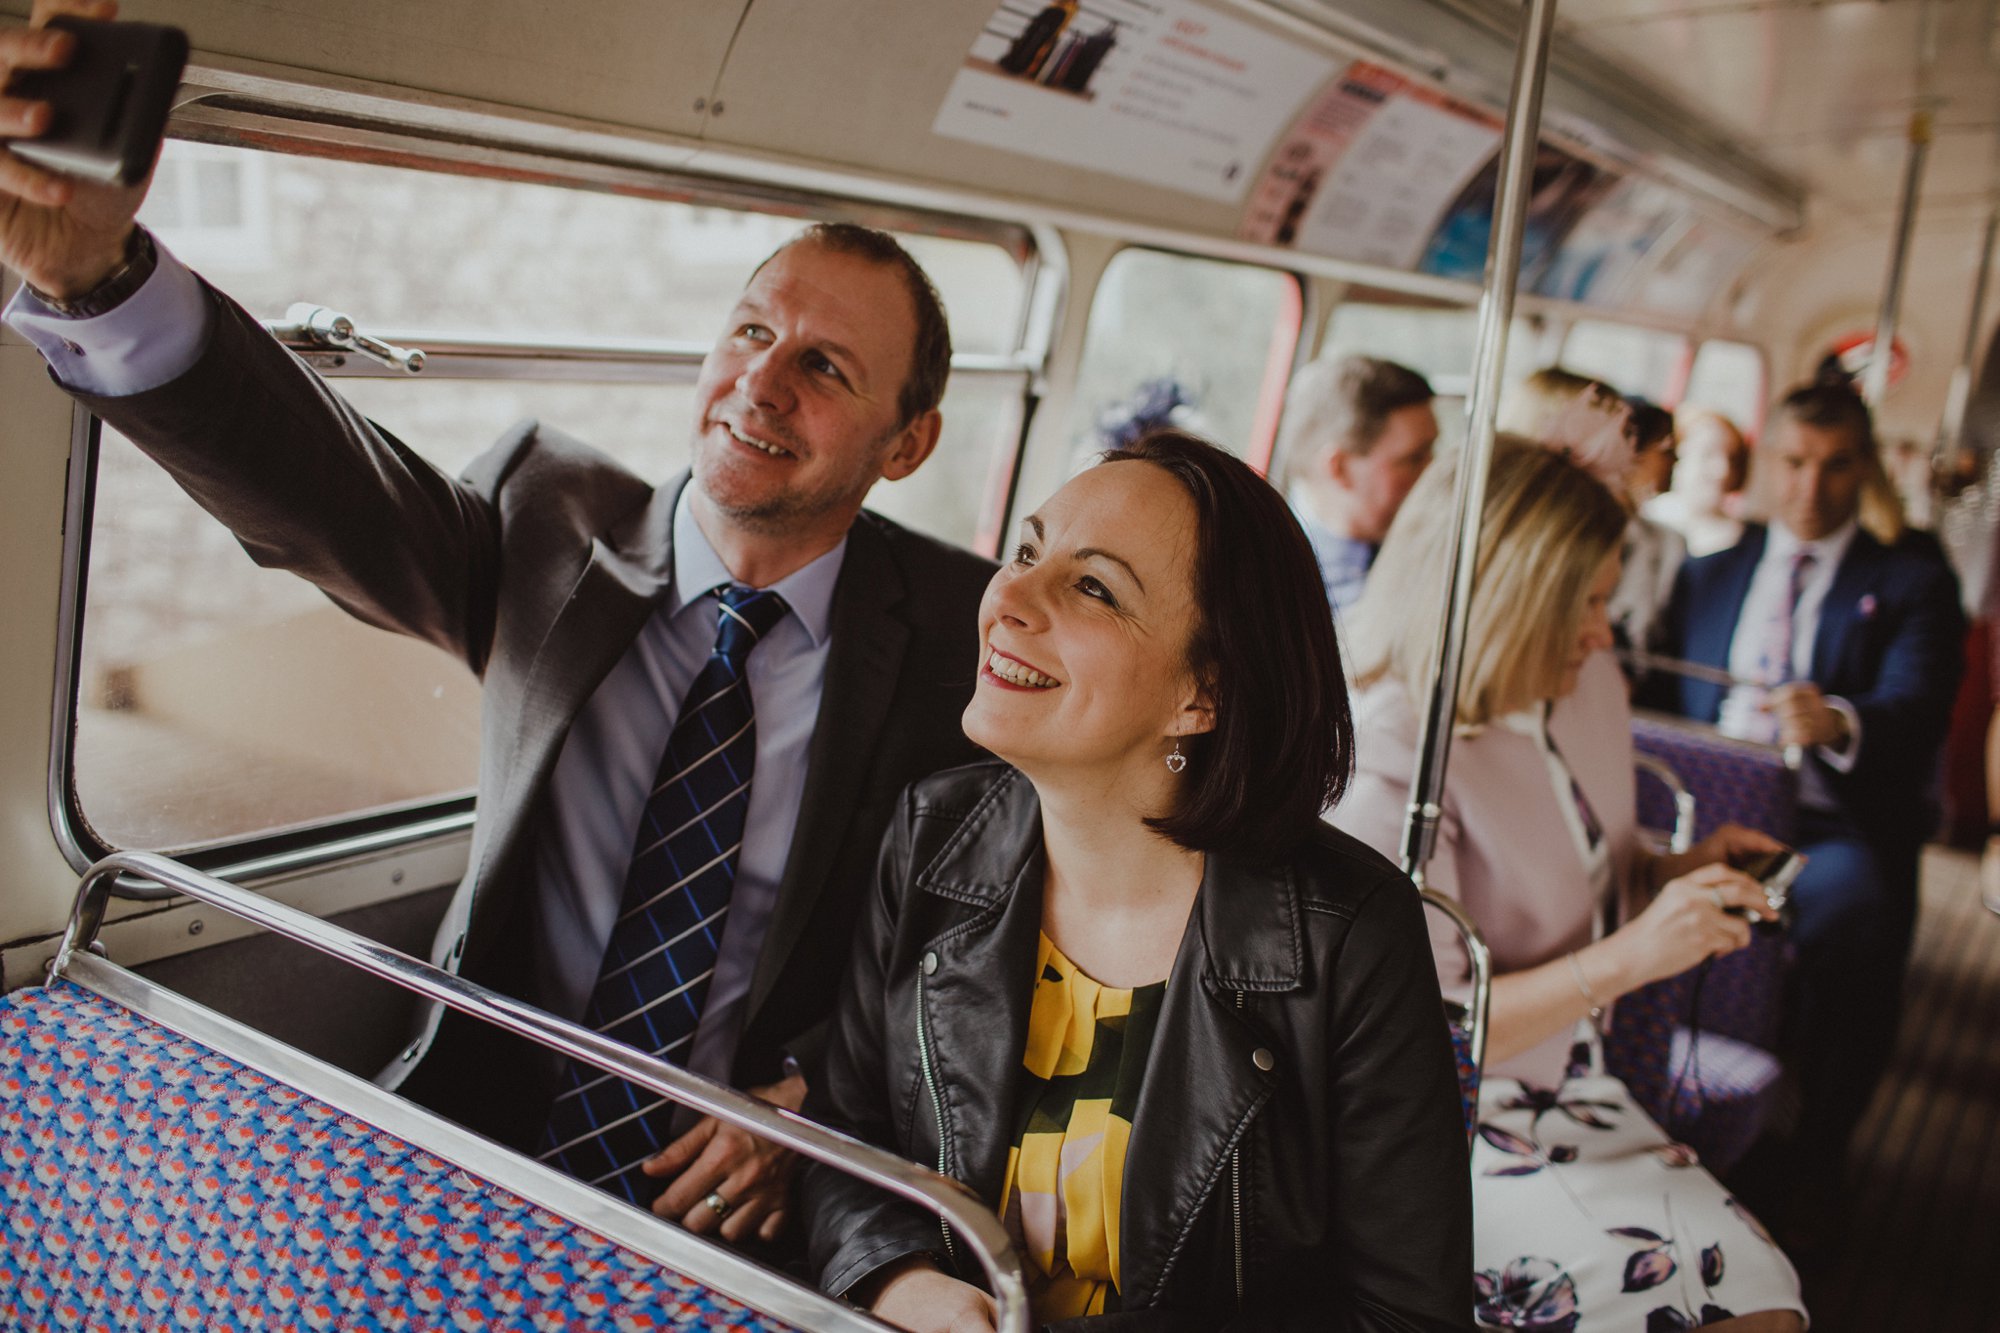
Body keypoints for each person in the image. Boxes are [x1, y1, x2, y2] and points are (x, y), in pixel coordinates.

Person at [0, 0, 993, 1241]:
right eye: (750, 329)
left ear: (908, 444)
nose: (761, 382)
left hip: (756, 1201)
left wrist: (818, 1109)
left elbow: (989, 958)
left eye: (826, 368)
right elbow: (322, 489)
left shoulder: (962, 636)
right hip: (474, 1138)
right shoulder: (550, 521)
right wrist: (98, 276)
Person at [798, 432, 1474, 1330]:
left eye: (1092, 586)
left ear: (1203, 693)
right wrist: (900, 1278)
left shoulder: (1349, 933)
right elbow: (846, 1138)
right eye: (1028, 550)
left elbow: (1405, 1314)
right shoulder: (935, 837)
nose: (1008, 599)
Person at [1332, 438, 1807, 1332]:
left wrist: (1678, 870)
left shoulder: (1586, 687)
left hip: (1579, 1092)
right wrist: (1633, 957)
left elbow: (1593, 864)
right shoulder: (1394, 749)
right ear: (1509, 603)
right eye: (1584, 603)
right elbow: (1420, 1036)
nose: (1604, 630)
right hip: (1440, 1125)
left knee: (1764, 1290)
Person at [1650, 382, 1965, 1234]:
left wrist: (1841, 719)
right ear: (1769, 464)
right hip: (1703, 809)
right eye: (1794, 463)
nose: (1810, 487)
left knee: (1853, 921)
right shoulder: (1709, 572)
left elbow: (1920, 699)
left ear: (1862, 468)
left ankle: (1813, 1146)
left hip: (1832, 820)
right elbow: (1659, 689)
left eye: (1834, 467)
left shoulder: (1908, 579)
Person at [1277, 354, 1438, 613]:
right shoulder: (1273, 585)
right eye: (1414, 459)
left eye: (1432, 452)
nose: (1433, 472)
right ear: (1339, 468)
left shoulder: (1436, 545)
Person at [1643, 409, 1750, 558]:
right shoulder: (1647, 519)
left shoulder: (1747, 542)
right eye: (1708, 454)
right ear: (1677, 457)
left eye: (1731, 459)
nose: (1722, 470)